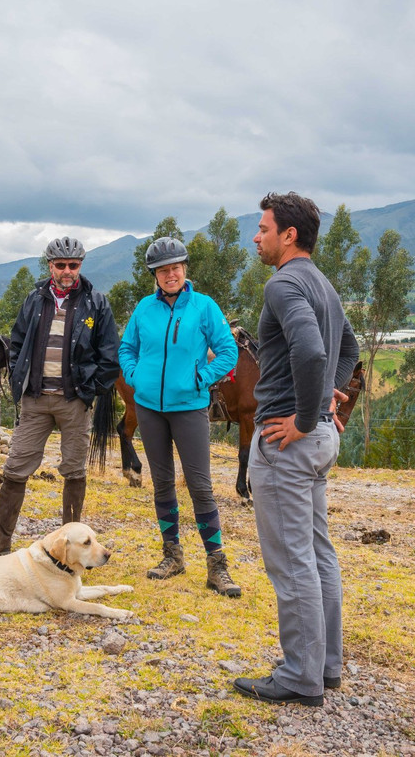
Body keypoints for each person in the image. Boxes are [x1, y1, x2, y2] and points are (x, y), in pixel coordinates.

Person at [233, 192, 358, 707]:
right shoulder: (322, 283)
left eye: (263, 228)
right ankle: (325, 666)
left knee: (292, 563)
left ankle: (300, 677)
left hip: (288, 441)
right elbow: (345, 348)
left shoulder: (284, 283)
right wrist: (332, 391)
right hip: (319, 439)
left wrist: (305, 417)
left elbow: (310, 350)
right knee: (318, 553)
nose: (256, 237)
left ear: (288, 235)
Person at [0, 236, 119, 556]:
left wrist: (89, 391)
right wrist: (20, 381)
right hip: (35, 400)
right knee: (15, 468)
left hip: (73, 401)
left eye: (73, 265)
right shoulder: (34, 300)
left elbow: (109, 356)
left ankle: (72, 548)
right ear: (50, 265)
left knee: (74, 470)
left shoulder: (96, 303)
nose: (67, 271)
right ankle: (1, 538)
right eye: (60, 265)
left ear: (80, 265)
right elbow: (18, 343)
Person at [118, 237, 241, 596]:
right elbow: (127, 347)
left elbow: (227, 351)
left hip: (189, 409)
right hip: (149, 409)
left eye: (175, 268)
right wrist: (136, 376)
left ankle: (217, 566)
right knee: (163, 484)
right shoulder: (144, 309)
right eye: (162, 270)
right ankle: (172, 556)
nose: (170, 275)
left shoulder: (203, 307)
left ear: (184, 269)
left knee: (201, 487)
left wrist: (200, 379)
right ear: (154, 275)